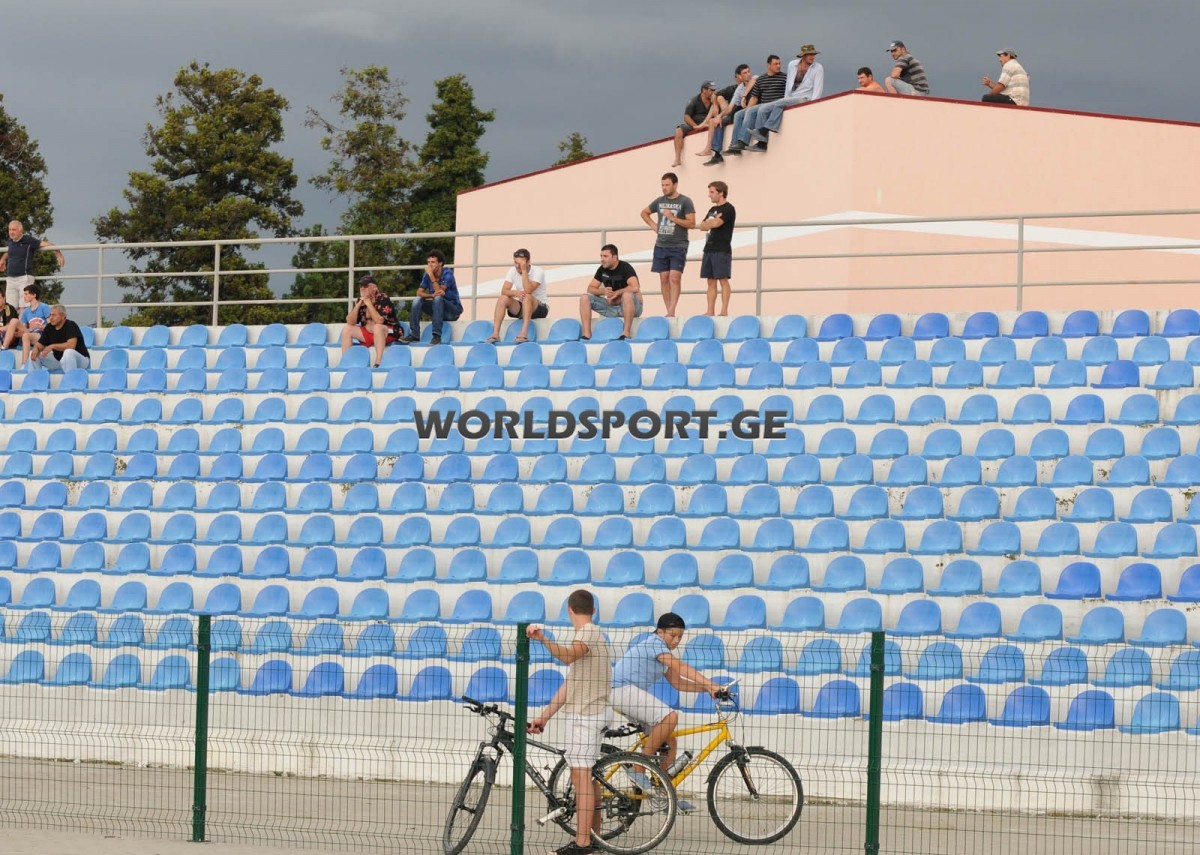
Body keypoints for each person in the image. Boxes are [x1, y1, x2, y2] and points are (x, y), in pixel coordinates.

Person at [610, 613, 722, 812]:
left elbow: (678, 683)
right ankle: (638, 769)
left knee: (670, 741)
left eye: (680, 636)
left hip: (628, 693)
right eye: (672, 635)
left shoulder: (663, 653)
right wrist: (710, 683)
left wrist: (707, 689)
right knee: (670, 717)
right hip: (620, 690)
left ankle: (664, 795)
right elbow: (680, 666)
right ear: (660, 632)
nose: (676, 640)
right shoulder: (654, 643)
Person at [527, 590, 611, 855]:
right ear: (593, 610)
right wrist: (544, 717)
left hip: (587, 714)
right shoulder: (592, 635)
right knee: (588, 777)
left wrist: (543, 639)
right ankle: (593, 838)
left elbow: (567, 656)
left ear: (569, 610)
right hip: (590, 712)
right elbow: (569, 685)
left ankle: (582, 843)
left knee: (581, 777)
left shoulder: (587, 633)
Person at [747, 44, 825, 147]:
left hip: (806, 98)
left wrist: (813, 105)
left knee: (779, 103)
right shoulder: (792, 65)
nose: (812, 57)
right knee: (763, 109)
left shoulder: (818, 68)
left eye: (813, 54)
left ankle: (764, 130)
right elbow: (789, 84)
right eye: (810, 54)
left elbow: (818, 88)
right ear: (803, 55)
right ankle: (761, 143)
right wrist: (786, 99)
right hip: (792, 97)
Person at [640, 173, 695, 317]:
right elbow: (644, 212)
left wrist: (673, 218)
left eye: (667, 185)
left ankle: (672, 310)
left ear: (675, 185)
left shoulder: (685, 201)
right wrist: (654, 225)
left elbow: (691, 223)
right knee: (663, 278)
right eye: (662, 185)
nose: (664, 188)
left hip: (678, 245)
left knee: (675, 278)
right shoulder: (659, 201)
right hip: (661, 245)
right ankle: (668, 309)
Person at [723, 55, 787, 155]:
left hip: (774, 104)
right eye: (775, 64)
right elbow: (754, 97)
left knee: (753, 111)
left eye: (779, 64)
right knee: (739, 114)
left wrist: (748, 107)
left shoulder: (784, 77)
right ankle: (735, 145)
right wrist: (747, 111)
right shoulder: (761, 79)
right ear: (768, 65)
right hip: (763, 104)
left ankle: (744, 141)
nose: (778, 66)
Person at [579, 244, 641, 341]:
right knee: (584, 298)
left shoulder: (625, 267)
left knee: (627, 295)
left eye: (605, 256)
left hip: (632, 307)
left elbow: (635, 287)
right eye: (601, 256)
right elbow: (590, 289)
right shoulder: (602, 269)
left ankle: (626, 333)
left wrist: (618, 292)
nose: (602, 259)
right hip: (612, 307)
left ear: (614, 257)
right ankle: (587, 335)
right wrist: (603, 291)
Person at [340, 275, 404, 367]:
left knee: (377, 327)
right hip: (370, 333)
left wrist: (369, 303)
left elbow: (379, 321)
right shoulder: (360, 300)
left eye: (365, 286)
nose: (362, 288)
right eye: (361, 286)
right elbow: (350, 321)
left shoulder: (383, 298)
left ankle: (378, 362)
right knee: (347, 329)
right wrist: (358, 305)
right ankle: (345, 362)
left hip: (388, 332)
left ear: (374, 287)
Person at [488, 248, 549, 344]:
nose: (517, 266)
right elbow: (504, 291)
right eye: (515, 263)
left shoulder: (538, 271)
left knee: (527, 296)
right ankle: (495, 334)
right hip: (523, 305)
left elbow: (528, 290)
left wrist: (524, 271)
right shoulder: (513, 271)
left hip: (540, 308)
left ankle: (524, 333)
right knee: (503, 298)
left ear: (528, 262)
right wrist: (515, 293)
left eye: (520, 264)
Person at [0, 220, 64, 309]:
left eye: (14, 230)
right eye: (9, 229)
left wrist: (58, 254)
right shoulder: (11, 241)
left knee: (24, 306)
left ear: (20, 230)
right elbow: (10, 250)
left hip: (24, 278)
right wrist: (3, 259)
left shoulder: (28, 240)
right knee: (10, 308)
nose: (11, 232)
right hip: (10, 278)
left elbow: (46, 244)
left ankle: (23, 319)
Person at [702, 64, 754, 167]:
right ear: (739, 76)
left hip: (752, 108)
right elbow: (730, 107)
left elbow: (754, 80)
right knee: (719, 121)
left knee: (738, 115)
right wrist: (719, 116)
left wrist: (744, 96)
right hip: (740, 111)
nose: (748, 74)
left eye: (748, 72)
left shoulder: (755, 79)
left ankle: (736, 145)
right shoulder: (739, 88)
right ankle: (718, 154)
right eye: (745, 73)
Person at [407, 249, 462, 345]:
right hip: (438, 310)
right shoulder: (427, 275)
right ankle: (414, 334)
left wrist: (431, 275)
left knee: (438, 298)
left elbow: (439, 292)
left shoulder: (447, 273)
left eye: (433, 262)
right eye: (428, 262)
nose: (430, 265)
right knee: (417, 300)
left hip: (452, 312)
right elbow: (419, 293)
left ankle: (437, 335)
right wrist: (430, 295)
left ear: (440, 263)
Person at [699, 181, 736, 317]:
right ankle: (710, 311)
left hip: (721, 249)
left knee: (723, 280)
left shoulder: (729, 209)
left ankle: (724, 311)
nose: (709, 195)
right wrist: (711, 222)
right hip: (709, 248)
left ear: (721, 193)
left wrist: (711, 222)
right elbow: (702, 226)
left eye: (712, 192)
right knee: (710, 281)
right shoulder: (712, 210)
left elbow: (716, 223)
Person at [28, 304, 89, 371]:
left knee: (68, 352)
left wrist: (53, 346)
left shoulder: (71, 325)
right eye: (50, 315)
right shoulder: (49, 327)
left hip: (81, 361)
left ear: (63, 316)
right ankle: (35, 377)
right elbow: (39, 345)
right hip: (60, 361)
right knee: (34, 354)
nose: (51, 318)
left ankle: (70, 377)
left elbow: (71, 346)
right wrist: (36, 349)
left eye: (54, 315)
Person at [672, 81, 718, 167]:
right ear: (704, 90)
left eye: (714, 90)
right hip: (695, 123)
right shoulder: (693, 101)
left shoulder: (715, 99)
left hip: (709, 123)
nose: (713, 92)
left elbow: (717, 114)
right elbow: (686, 117)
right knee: (678, 131)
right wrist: (695, 126)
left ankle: (711, 150)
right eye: (711, 90)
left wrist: (715, 102)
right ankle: (677, 159)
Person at [19, 284, 51, 368]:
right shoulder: (26, 311)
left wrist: (42, 327)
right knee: (24, 334)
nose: (24, 296)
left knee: (26, 336)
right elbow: (24, 327)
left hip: (43, 335)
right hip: (32, 335)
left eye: (26, 294)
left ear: (34, 295)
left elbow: (52, 325)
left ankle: (24, 364)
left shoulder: (44, 307)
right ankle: (24, 364)